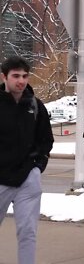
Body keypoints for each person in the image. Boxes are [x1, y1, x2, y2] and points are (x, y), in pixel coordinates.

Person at [0, 56, 54, 264]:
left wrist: (38, 167)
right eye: (16, 76)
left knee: (28, 234)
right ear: (4, 77)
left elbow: (46, 140)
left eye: (24, 76)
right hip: (1, 179)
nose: (21, 81)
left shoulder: (35, 105)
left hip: (27, 181)